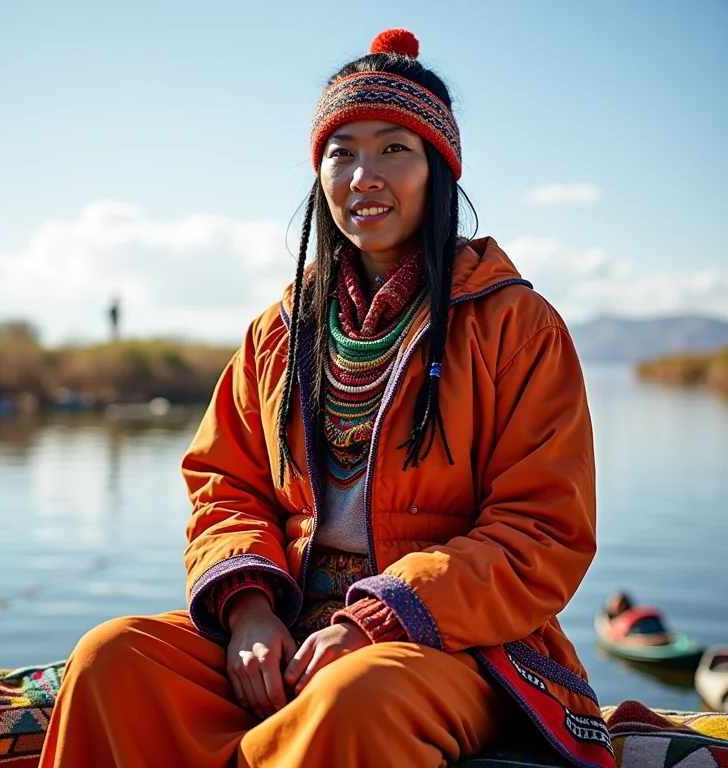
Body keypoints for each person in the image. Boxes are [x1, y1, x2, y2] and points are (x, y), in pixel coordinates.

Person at [38, 29, 614, 768]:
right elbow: (226, 486)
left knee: (352, 700)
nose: (363, 175)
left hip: (453, 644)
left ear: (439, 170)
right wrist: (248, 611)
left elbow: (542, 530)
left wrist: (378, 619)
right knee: (111, 658)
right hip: (288, 625)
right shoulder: (278, 332)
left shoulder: (516, 327)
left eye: (394, 150)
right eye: (342, 152)